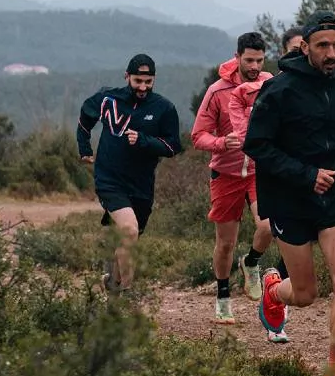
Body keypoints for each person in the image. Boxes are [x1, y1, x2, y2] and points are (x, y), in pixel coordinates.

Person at [243, 10, 335, 376]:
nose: (332, 53)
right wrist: (306, 174)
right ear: (306, 47)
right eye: (323, 46)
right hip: (290, 199)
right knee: (305, 293)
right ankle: (272, 292)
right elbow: (256, 145)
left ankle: (334, 375)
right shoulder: (279, 90)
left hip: (333, 199)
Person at [190, 32, 277, 329]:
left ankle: (251, 262)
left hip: (257, 171)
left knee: (268, 225)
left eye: (260, 60)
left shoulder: (268, 85)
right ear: (237, 56)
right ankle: (223, 298)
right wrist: (220, 142)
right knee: (225, 243)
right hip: (225, 173)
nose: (254, 66)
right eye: (249, 60)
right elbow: (197, 135)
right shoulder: (217, 91)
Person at [76, 53, 183, 292]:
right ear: (127, 77)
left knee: (129, 238)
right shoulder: (108, 99)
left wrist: (144, 141)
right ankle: (128, 297)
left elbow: (173, 146)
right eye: (137, 81)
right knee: (129, 230)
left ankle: (112, 286)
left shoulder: (164, 108)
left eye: (148, 82)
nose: (143, 87)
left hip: (142, 184)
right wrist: (84, 148)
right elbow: (85, 117)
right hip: (109, 178)